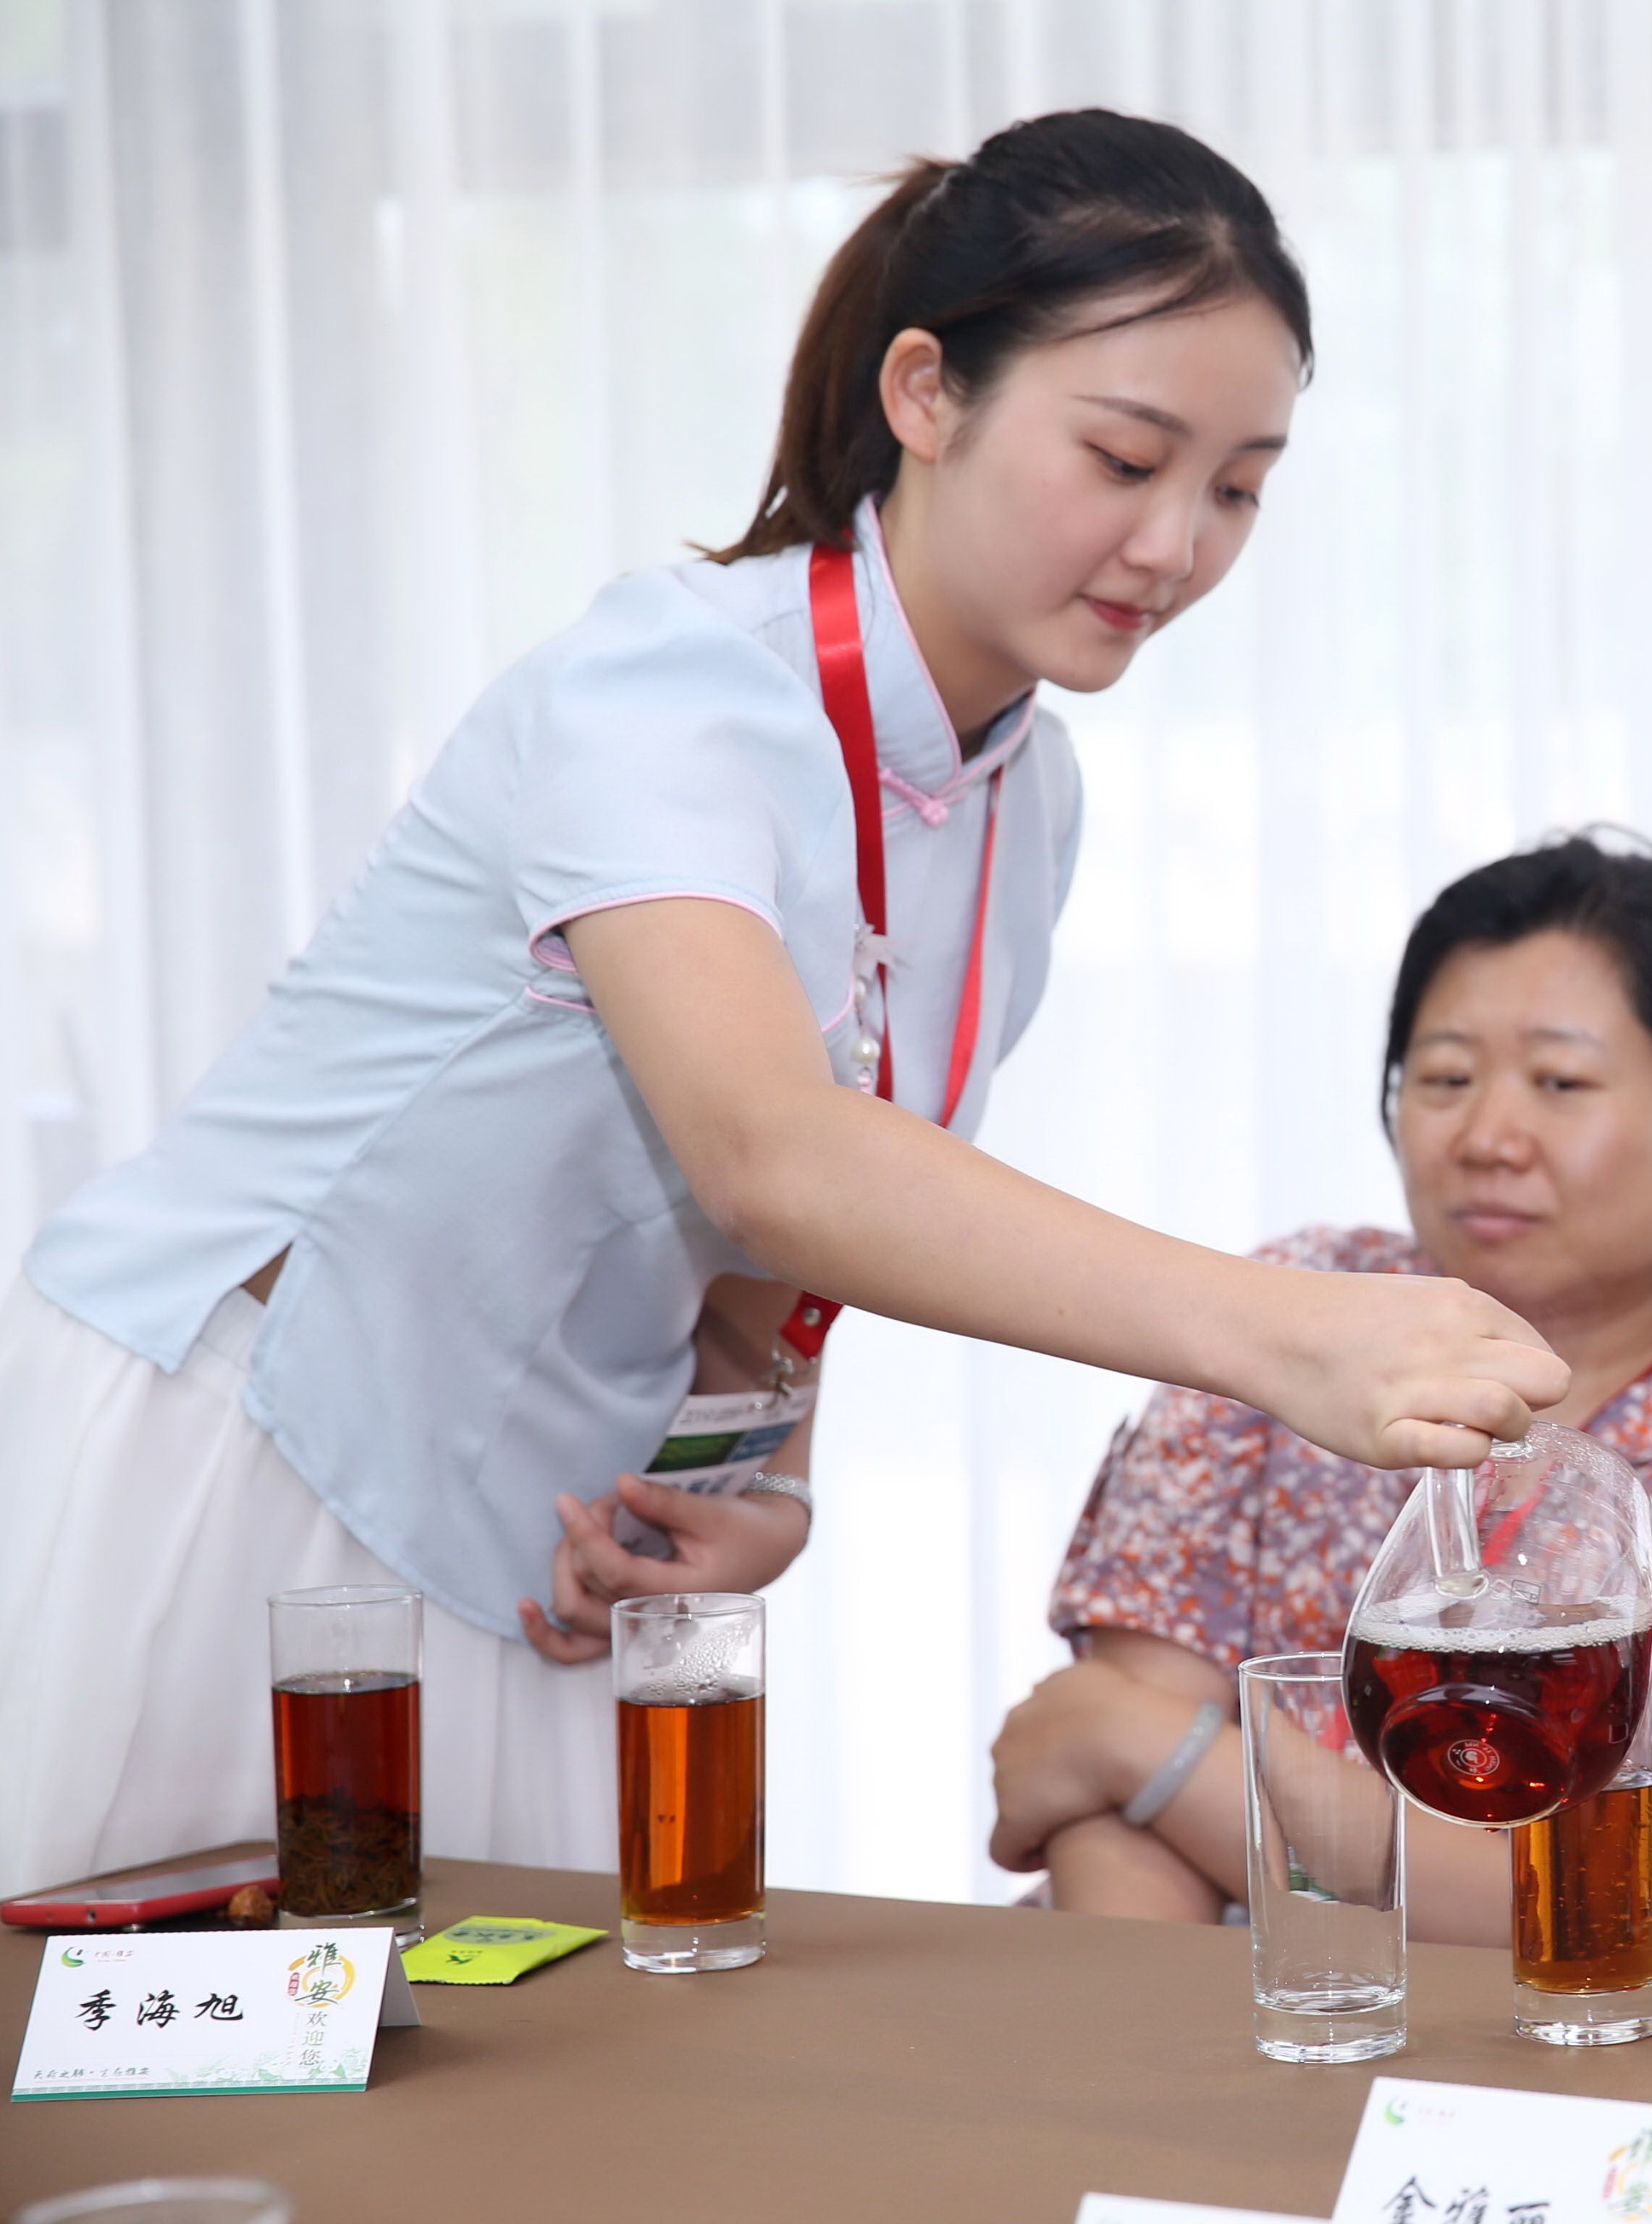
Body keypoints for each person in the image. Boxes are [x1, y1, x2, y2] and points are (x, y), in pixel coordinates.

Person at [0, 110, 1567, 1893]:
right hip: (249, 1448)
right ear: (925, 391)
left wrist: (767, 1489)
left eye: (1238, 487)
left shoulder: (1022, 796)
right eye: (1127, 457)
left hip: (545, 1535)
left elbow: (774, 1263)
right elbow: (762, 1146)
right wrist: (1290, 1336)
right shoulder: (670, 690)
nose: (1176, 543)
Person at [988, 835, 1652, 1944]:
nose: (1487, 1138)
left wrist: (1157, 1752)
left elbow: (1592, 1886)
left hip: (1579, 2058)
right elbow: (1114, 1829)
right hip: (1203, 2030)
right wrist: (1163, 2074)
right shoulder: (1290, 1316)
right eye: (1444, 1079)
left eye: (1561, 1083)